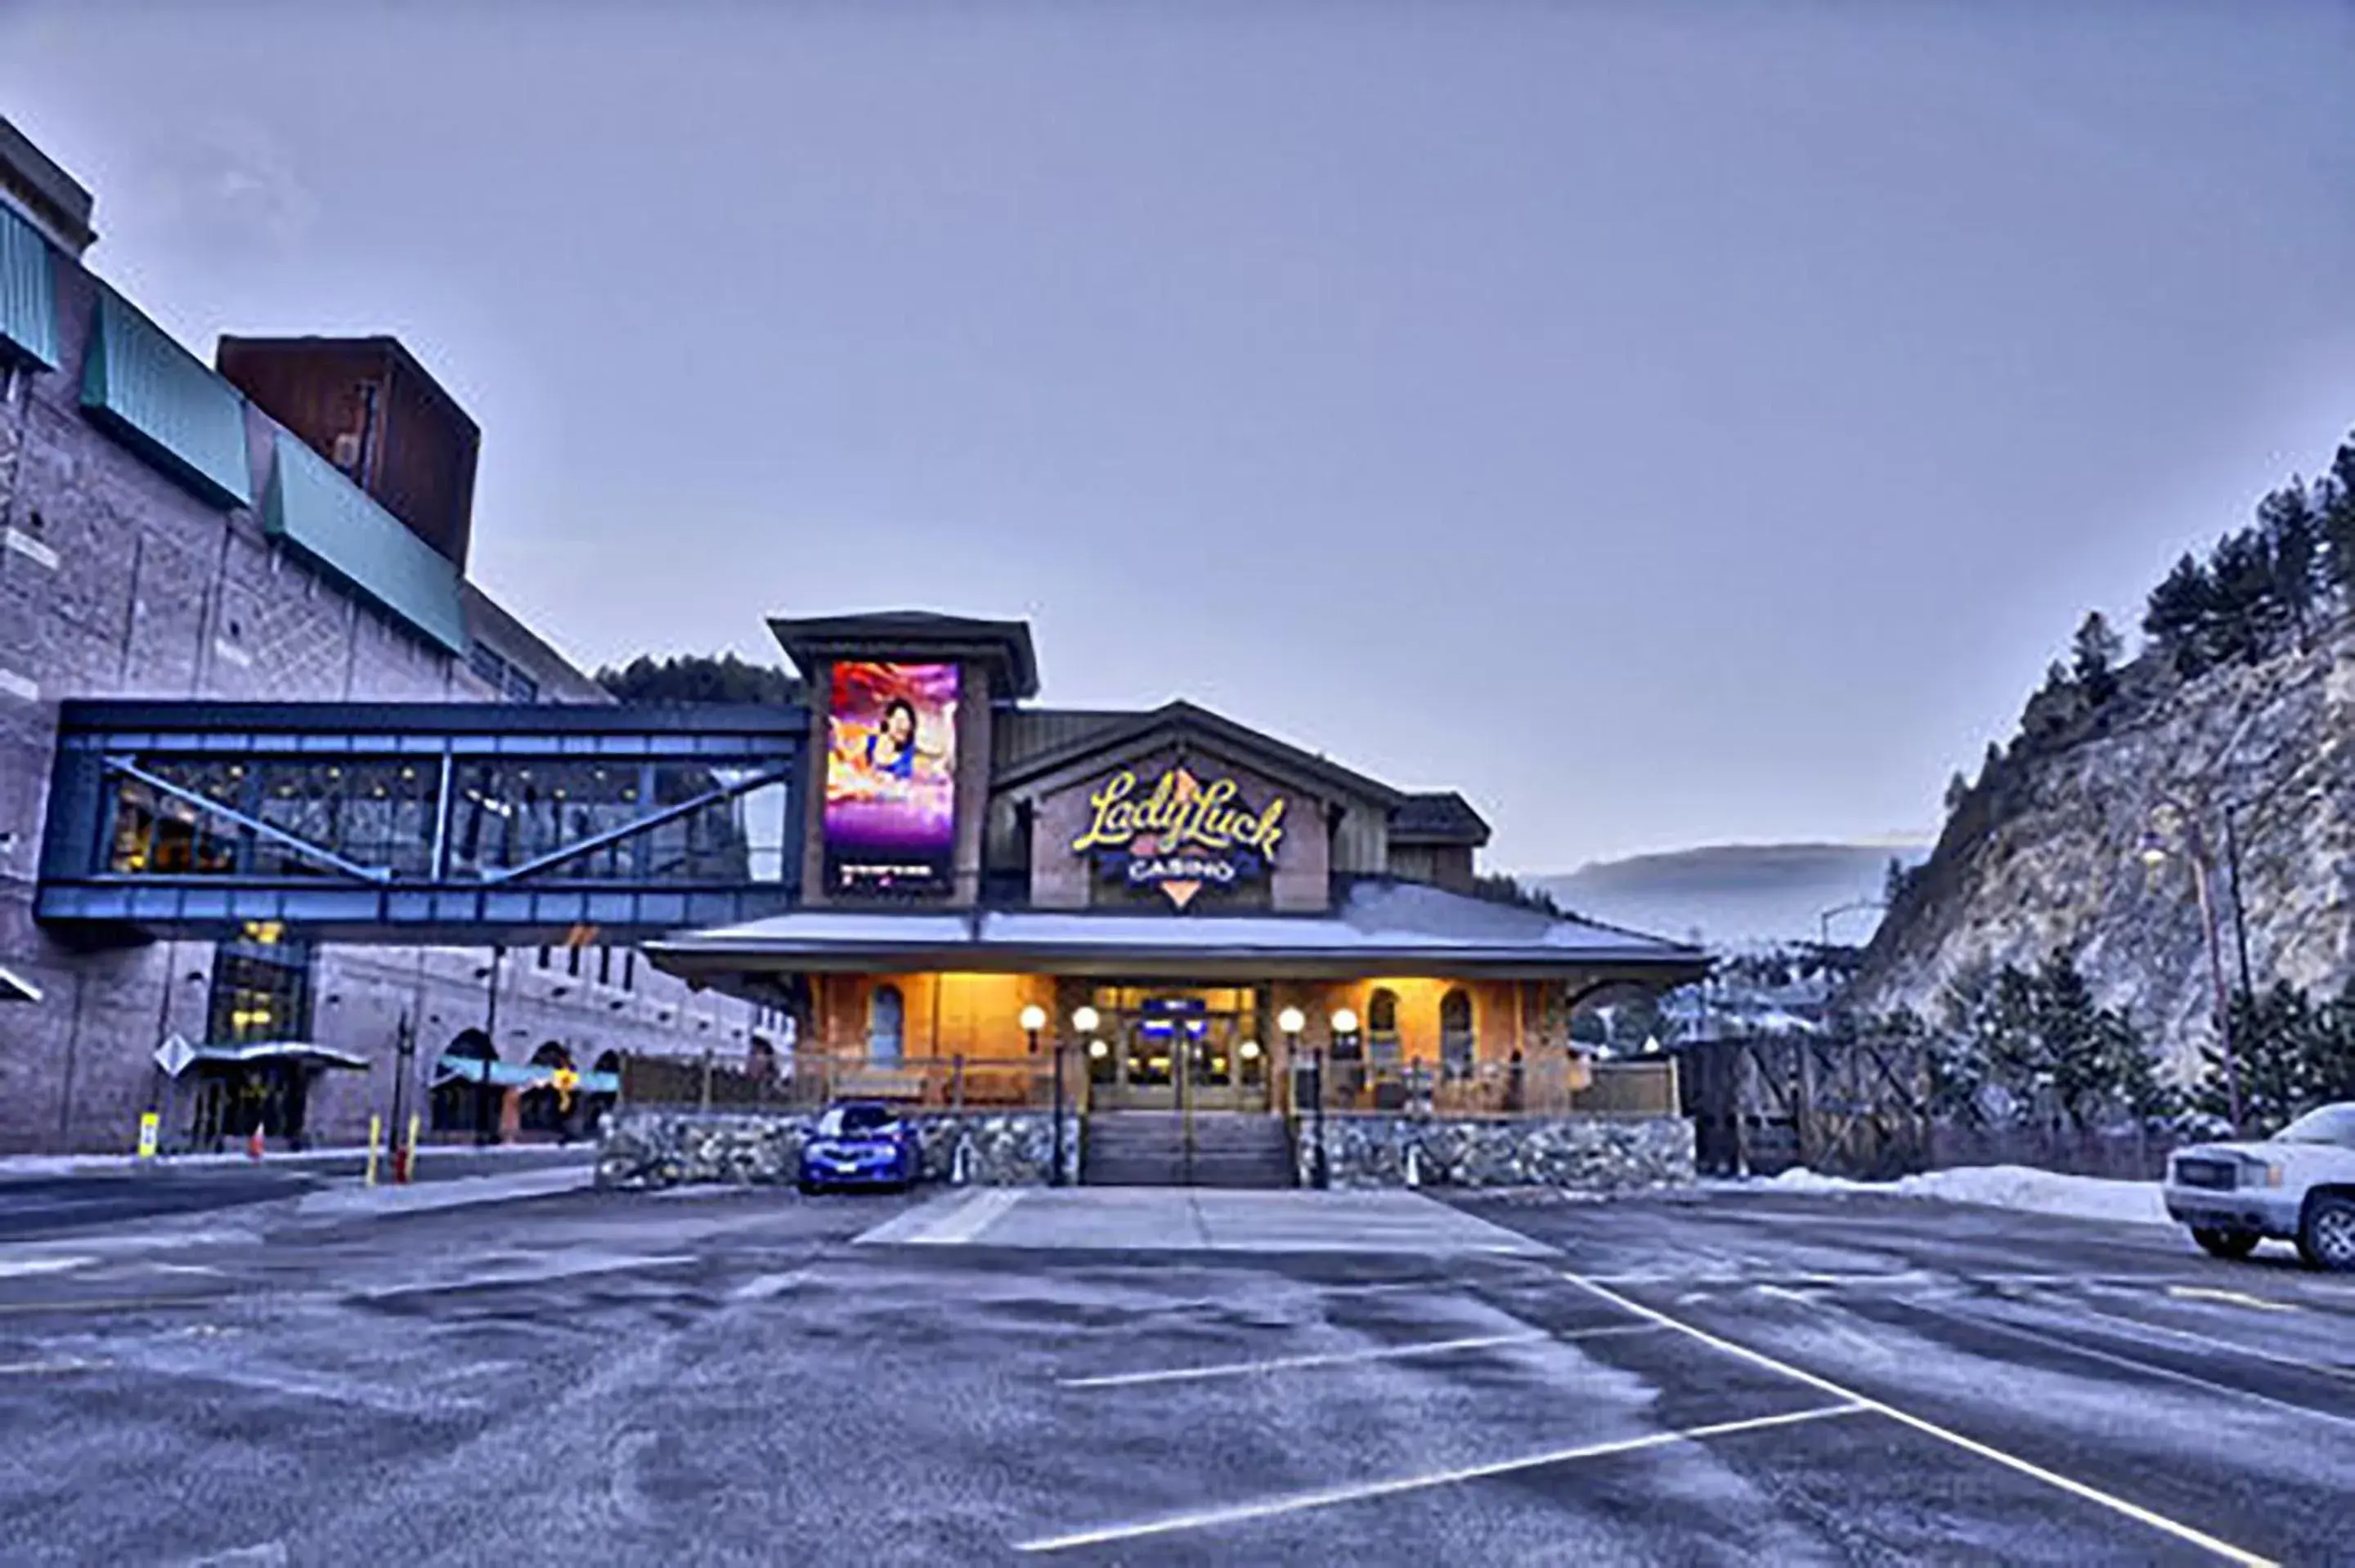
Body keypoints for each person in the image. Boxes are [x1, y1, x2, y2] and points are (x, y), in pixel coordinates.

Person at [866, 698, 920, 779]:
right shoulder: (869, 742)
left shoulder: (908, 752)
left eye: (908, 722)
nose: (903, 726)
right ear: (887, 720)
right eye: (900, 720)